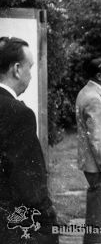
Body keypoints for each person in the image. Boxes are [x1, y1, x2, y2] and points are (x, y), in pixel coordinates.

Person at [0, 37, 58, 243]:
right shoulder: (19, 114)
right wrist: (47, 219)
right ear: (16, 69)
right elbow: (29, 182)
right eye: (30, 68)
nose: (31, 75)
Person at [75, 57, 101, 244]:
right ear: (99, 76)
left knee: (100, 208)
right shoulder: (93, 97)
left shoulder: (88, 91)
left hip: (92, 162)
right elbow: (97, 137)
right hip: (97, 164)